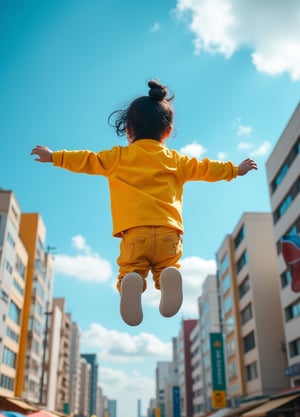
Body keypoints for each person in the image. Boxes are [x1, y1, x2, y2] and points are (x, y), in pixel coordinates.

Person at [30, 79, 258, 326]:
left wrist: (54, 156)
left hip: (134, 232)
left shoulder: (118, 157)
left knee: (130, 270)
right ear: (168, 131)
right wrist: (234, 170)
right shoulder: (176, 160)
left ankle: (132, 281)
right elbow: (205, 168)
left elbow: (86, 159)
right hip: (169, 233)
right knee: (168, 265)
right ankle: (168, 276)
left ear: (129, 130)